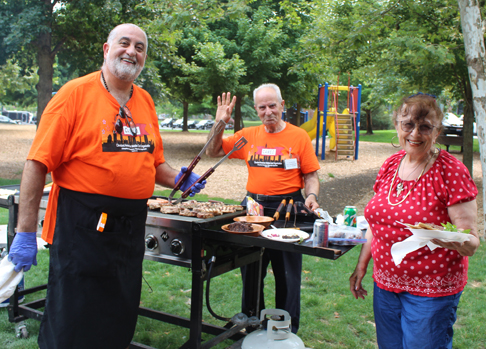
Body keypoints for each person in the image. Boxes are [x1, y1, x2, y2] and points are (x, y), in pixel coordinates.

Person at [7, 23, 205, 349]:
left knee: (118, 314)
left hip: (129, 231)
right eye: (124, 43)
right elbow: (37, 163)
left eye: (140, 47)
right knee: (73, 318)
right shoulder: (74, 94)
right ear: (106, 49)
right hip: (81, 227)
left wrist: (178, 178)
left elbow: (154, 162)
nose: (132, 51)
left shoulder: (145, 101)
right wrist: (25, 231)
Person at [349, 93, 480, 349]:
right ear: (398, 125)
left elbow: (471, 241)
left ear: (437, 130)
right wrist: (362, 265)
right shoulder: (391, 165)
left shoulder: (450, 171)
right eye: (408, 124)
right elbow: (377, 225)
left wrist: (445, 237)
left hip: (432, 291)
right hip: (385, 284)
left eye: (425, 127)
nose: (415, 134)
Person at [206, 84, 320, 333]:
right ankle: (251, 323)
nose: (268, 111)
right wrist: (220, 122)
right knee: (251, 268)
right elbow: (213, 151)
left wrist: (311, 195)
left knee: (287, 274)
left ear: (282, 105)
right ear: (256, 110)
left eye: (272, 105)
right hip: (253, 209)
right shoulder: (248, 136)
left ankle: (285, 328)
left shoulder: (299, 136)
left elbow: (310, 175)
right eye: (262, 107)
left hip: (289, 208)